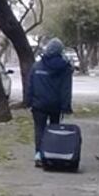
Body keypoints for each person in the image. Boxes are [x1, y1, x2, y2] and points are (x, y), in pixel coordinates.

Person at [26, 38, 74, 167]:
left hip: (38, 105)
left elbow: (30, 86)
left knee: (39, 130)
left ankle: (38, 155)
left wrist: (28, 102)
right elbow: (66, 89)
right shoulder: (65, 68)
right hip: (56, 105)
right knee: (54, 129)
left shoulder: (36, 66)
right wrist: (66, 107)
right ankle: (52, 154)